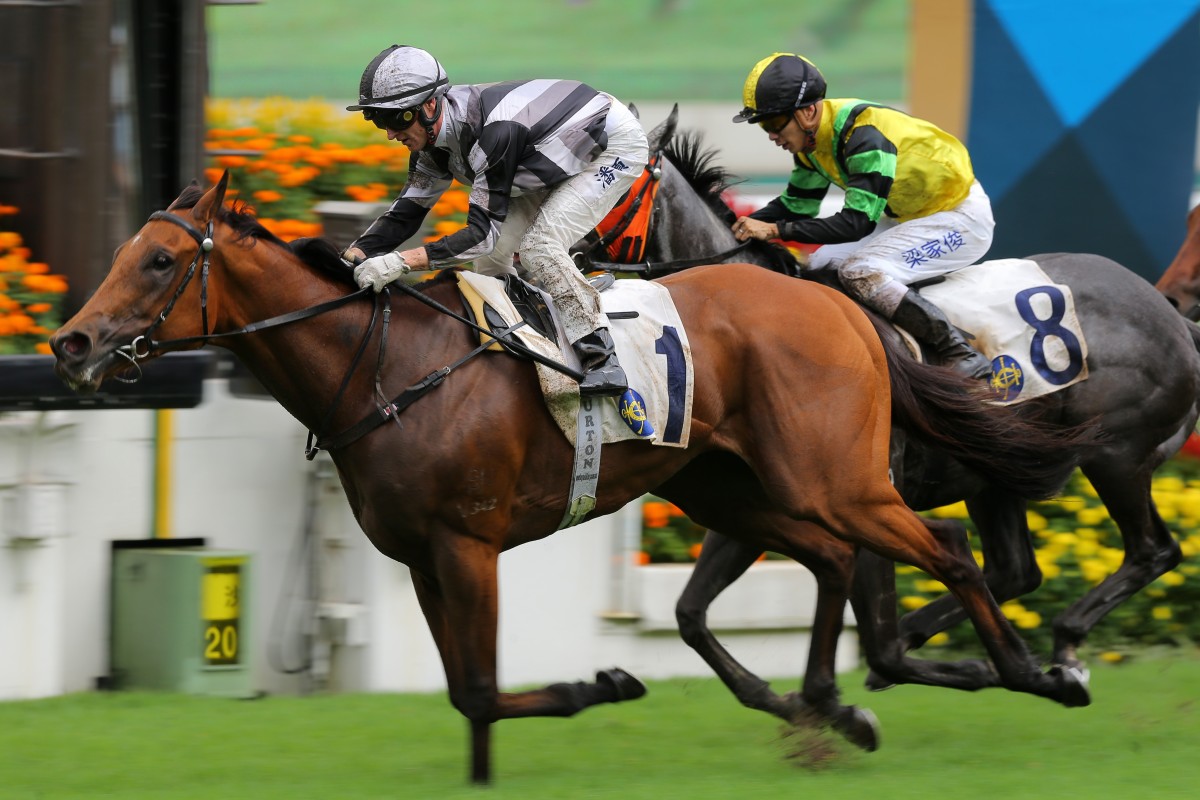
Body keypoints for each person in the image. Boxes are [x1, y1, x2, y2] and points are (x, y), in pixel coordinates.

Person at [343, 45, 649, 396]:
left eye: (397, 119)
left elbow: (480, 234)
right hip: (538, 150)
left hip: (611, 145)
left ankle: (602, 360)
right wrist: (353, 255)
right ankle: (524, 344)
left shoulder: (494, 134)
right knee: (489, 263)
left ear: (429, 106)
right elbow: (406, 213)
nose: (390, 133)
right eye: (379, 120)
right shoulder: (431, 143)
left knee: (539, 247)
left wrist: (401, 262)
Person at [730, 52, 995, 380]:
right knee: (820, 265)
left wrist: (773, 230)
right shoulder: (811, 143)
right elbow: (798, 205)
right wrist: (733, 226)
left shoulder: (864, 137)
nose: (772, 135)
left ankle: (960, 352)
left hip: (960, 217)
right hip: (907, 215)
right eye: (763, 126)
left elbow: (855, 224)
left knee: (860, 270)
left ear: (807, 112)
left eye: (774, 124)